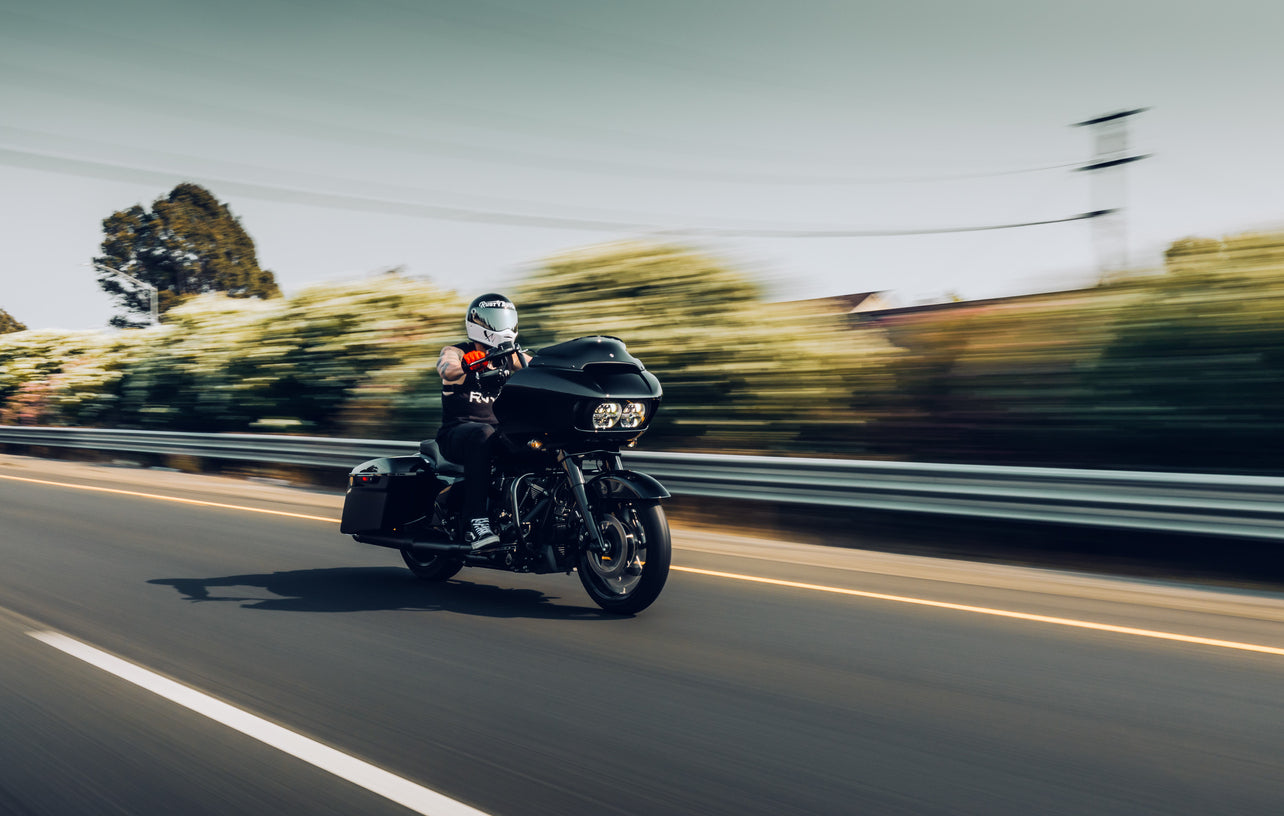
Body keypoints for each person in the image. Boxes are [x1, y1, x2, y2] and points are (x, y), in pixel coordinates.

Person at [435, 293, 531, 551]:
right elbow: (446, 367)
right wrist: (468, 365)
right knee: (483, 433)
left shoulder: (513, 357)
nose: (502, 325)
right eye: (495, 319)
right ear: (479, 323)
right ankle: (476, 521)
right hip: (457, 434)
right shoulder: (458, 352)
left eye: (506, 318)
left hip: (497, 436)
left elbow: (542, 368)